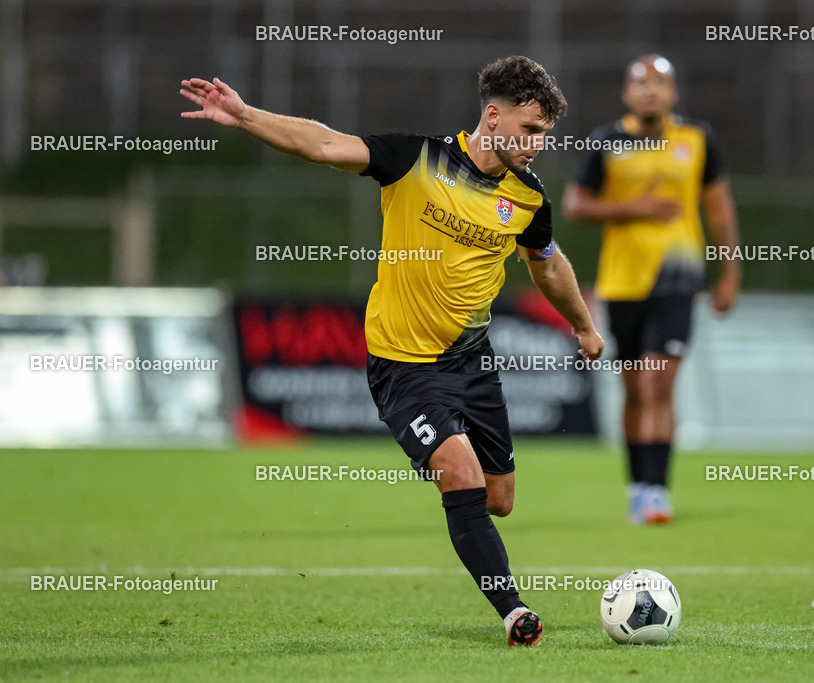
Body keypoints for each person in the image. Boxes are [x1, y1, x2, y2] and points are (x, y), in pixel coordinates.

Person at [180, 55, 603, 646]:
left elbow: (547, 263)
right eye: (530, 130)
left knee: (498, 499)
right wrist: (245, 114)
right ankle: (514, 612)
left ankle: (465, 502)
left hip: (473, 360)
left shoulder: (527, 196)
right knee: (459, 474)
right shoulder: (416, 159)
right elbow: (325, 145)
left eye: (545, 135)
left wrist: (582, 326)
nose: (537, 146)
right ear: (493, 116)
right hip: (405, 364)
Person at [562, 54, 739, 525]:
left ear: (673, 93)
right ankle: (637, 486)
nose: (650, 90)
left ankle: (657, 492)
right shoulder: (607, 142)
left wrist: (730, 273)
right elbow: (575, 203)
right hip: (621, 283)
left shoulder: (697, 140)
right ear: (627, 92)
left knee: (659, 382)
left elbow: (720, 211)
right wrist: (633, 207)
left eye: (660, 82)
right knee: (635, 390)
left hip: (678, 280)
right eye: (640, 82)